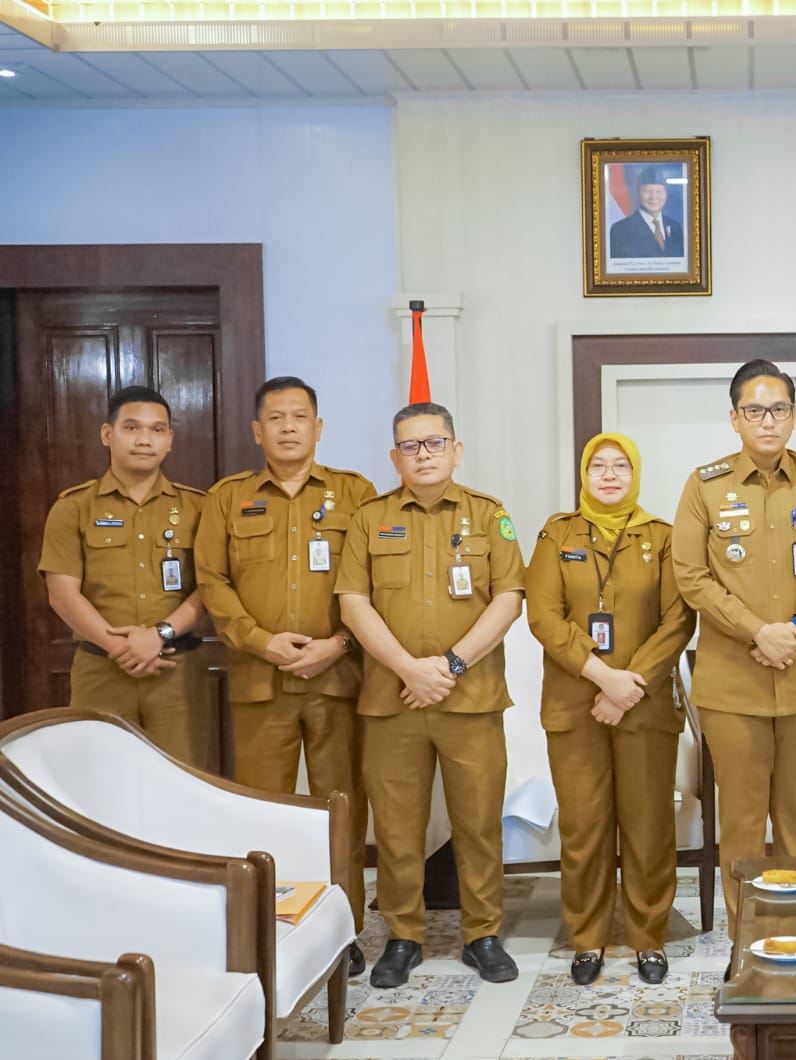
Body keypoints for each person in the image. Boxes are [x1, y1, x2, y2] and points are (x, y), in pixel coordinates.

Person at [336, 402, 526, 988]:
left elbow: (510, 597)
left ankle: (483, 933)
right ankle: (402, 935)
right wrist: (405, 668)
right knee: (396, 826)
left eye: (434, 443)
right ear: (395, 456)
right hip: (393, 701)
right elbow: (353, 602)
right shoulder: (369, 519)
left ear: (456, 449)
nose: (423, 454)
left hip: (470, 698)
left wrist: (448, 663)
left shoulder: (489, 516)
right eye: (410, 446)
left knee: (478, 822)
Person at [195, 376, 375, 975]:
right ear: (258, 429)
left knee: (341, 809)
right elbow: (212, 583)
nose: (290, 427)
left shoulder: (356, 493)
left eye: (301, 416)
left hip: (338, 677)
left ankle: (345, 930)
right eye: (277, 418)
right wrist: (261, 641)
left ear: (318, 427)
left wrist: (339, 643)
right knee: (262, 812)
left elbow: (372, 583)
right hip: (260, 680)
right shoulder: (227, 497)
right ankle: (270, 928)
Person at [672, 359, 796, 924]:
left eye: (778, 409)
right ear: (734, 418)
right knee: (743, 818)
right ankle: (746, 939)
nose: (767, 421)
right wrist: (758, 632)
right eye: (755, 410)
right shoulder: (704, 486)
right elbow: (690, 574)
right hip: (733, 681)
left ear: (793, 416)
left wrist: (794, 631)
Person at [525, 432, 696, 987]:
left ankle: (649, 937)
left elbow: (678, 620)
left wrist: (632, 684)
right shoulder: (557, 534)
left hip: (644, 709)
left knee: (648, 828)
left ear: (635, 473)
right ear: (584, 473)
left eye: (620, 465)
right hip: (576, 707)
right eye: (598, 465)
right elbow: (544, 617)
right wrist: (603, 678)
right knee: (584, 829)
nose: (609, 474)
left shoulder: (663, 537)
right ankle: (588, 938)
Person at [39, 385, 209, 764]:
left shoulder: (201, 508)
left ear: (170, 440)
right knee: (101, 786)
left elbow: (212, 588)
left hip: (176, 673)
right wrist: (121, 647)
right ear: (107, 434)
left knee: (182, 786)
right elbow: (62, 595)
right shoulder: (72, 508)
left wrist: (159, 634)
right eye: (131, 428)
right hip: (101, 671)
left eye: (157, 430)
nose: (144, 440)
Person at [608, 165, 686, 260]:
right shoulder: (620, 230)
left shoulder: (675, 228)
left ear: (666, 194)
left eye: (658, 191)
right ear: (638, 193)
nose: (653, 197)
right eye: (647, 191)